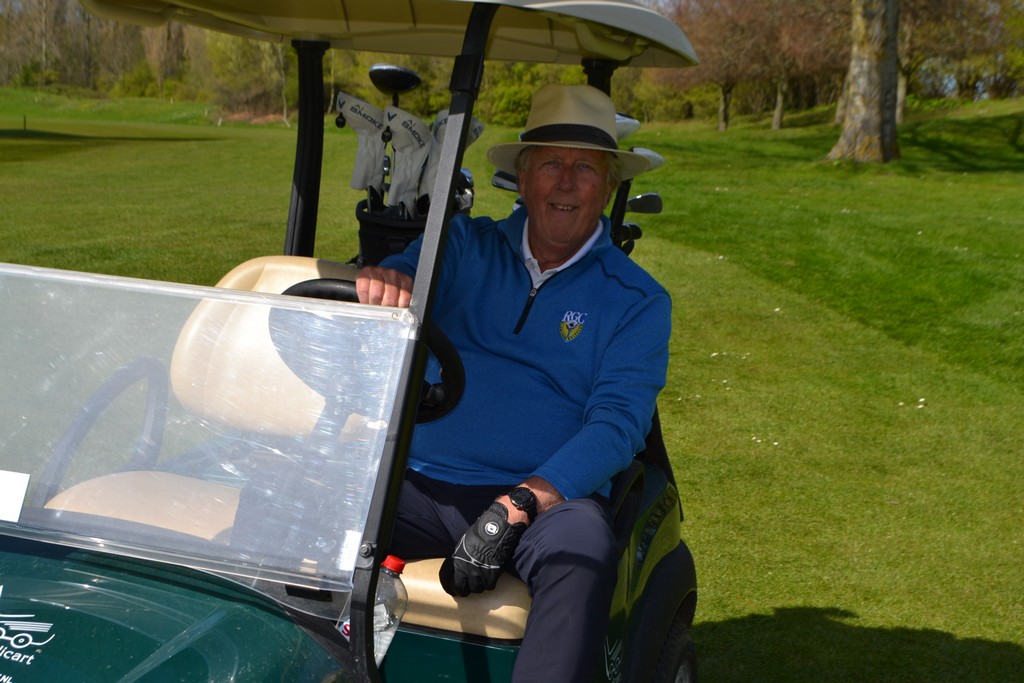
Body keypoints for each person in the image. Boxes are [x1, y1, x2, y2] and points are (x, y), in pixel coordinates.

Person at [356, 83, 671, 682]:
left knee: (583, 550)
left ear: (607, 187)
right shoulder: (462, 245)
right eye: (551, 164)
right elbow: (403, 276)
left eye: (585, 168)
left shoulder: (637, 300)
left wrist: (522, 502)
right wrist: (387, 281)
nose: (566, 182)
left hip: (547, 502)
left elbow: (617, 425)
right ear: (523, 179)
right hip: (419, 482)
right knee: (309, 502)